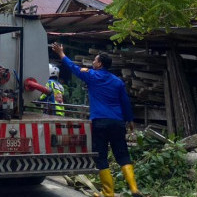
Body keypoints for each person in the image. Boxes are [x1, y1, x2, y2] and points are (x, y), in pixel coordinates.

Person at [51, 42, 142, 197]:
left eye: (94, 60)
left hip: (99, 122)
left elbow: (73, 68)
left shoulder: (92, 75)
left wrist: (61, 54)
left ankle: (108, 193)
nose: (92, 62)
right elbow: (125, 102)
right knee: (122, 154)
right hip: (117, 123)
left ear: (99, 64)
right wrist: (130, 120)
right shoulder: (118, 81)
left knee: (101, 156)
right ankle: (134, 188)